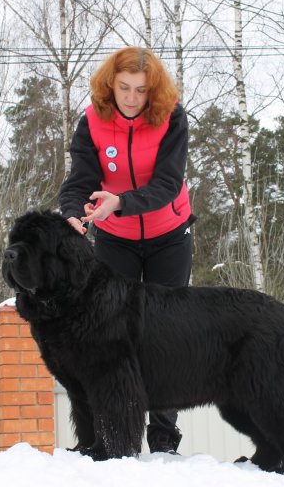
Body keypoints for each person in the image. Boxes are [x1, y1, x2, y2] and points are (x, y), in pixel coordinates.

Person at [58, 47, 194, 455]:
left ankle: (164, 437)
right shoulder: (92, 122)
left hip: (169, 235)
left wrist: (119, 201)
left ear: (153, 91)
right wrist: (71, 213)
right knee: (110, 334)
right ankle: (111, 434)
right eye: (124, 88)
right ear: (109, 85)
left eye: (141, 90)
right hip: (115, 240)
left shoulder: (173, 117)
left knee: (164, 334)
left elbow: (169, 183)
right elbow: (80, 180)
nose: (132, 98)